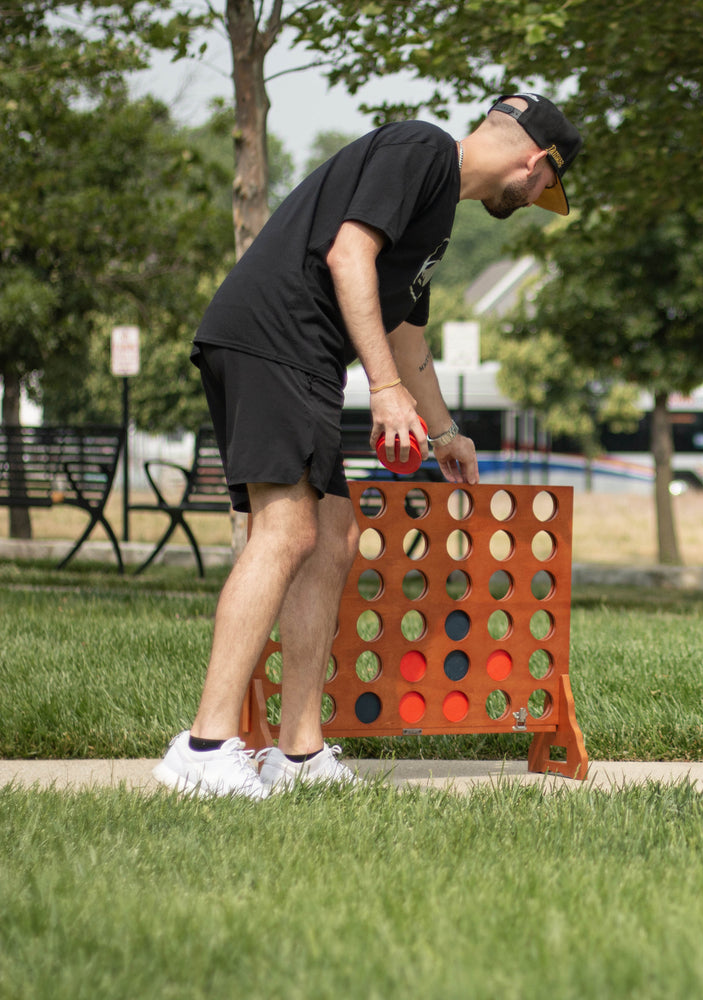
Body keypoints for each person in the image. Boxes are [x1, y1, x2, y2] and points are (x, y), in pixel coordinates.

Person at [153, 94, 583, 798]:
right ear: (535, 163)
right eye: (545, 188)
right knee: (286, 529)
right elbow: (348, 251)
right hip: (276, 338)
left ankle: (297, 753)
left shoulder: (436, 210)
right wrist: (383, 389)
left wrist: (443, 432)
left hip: (302, 354)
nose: (537, 199)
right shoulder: (421, 149)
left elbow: (405, 331)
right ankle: (203, 746)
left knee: (331, 535)